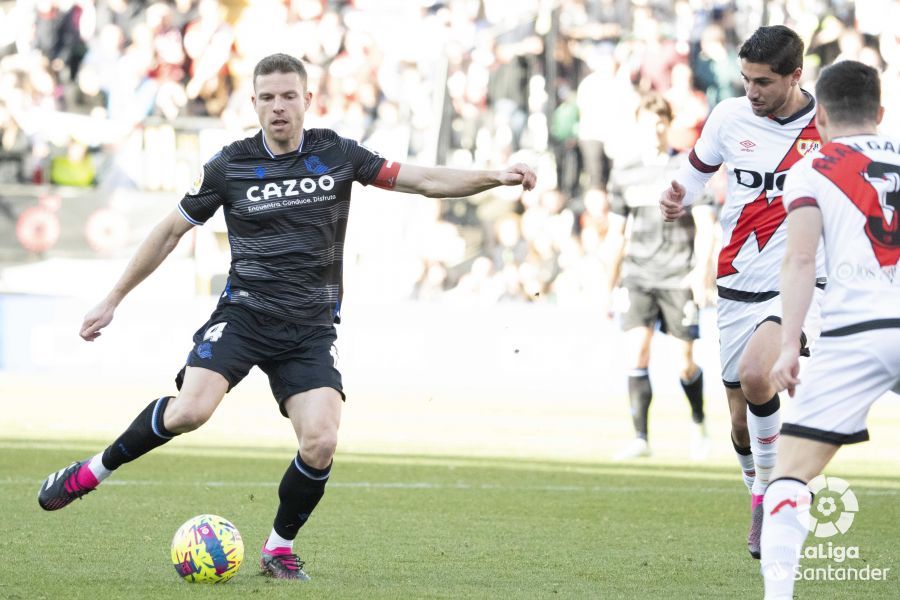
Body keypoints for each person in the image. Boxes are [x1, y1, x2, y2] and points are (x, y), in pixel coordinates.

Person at [37, 53, 537, 581]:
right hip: (245, 314)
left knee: (321, 439)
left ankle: (278, 547)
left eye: (288, 96)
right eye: (268, 97)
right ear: (253, 103)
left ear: (307, 100)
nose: (278, 107)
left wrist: (494, 176)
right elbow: (168, 232)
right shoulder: (228, 165)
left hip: (310, 328)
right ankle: (92, 472)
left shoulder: (337, 154)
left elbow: (424, 180)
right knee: (189, 412)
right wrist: (113, 298)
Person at [659, 25, 826, 559]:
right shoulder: (730, 117)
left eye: (763, 82)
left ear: (796, 76)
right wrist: (677, 196)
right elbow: (695, 173)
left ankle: (770, 497)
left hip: (800, 281)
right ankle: (759, 487)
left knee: (758, 375)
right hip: (735, 279)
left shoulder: (828, 128)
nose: (751, 92)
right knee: (738, 416)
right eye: (746, 80)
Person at [760, 60, 899, 600]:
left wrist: (789, 346)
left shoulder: (812, 169)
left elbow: (798, 262)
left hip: (855, 332)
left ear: (818, 120)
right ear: (881, 114)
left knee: (790, 478)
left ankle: (779, 596)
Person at [605, 93, 715, 461]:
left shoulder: (688, 168)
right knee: (637, 350)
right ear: (637, 125)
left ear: (670, 123)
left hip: (677, 276)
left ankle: (699, 422)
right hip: (638, 275)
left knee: (684, 361)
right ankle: (641, 438)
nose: (655, 129)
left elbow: (706, 226)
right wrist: (608, 286)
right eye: (648, 122)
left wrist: (701, 272)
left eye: (661, 121)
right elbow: (616, 234)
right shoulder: (624, 171)